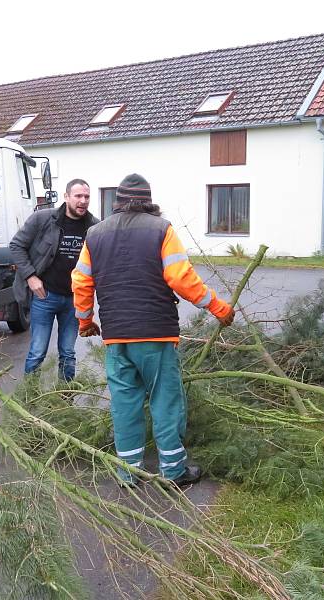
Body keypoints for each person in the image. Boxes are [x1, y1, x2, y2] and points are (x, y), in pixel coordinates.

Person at [71, 174, 234, 487]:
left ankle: (128, 473)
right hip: (155, 334)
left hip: (116, 337)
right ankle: (173, 471)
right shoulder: (162, 229)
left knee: (124, 404)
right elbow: (180, 278)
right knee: (165, 401)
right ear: (148, 201)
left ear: (116, 202)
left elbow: (80, 281)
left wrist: (84, 321)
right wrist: (218, 307)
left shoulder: (95, 234)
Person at [10, 178, 99, 381]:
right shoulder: (42, 219)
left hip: (75, 300)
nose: (83, 201)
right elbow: (16, 246)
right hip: (45, 297)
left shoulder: (95, 227)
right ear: (66, 197)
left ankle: (65, 399)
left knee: (68, 353)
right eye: (78, 196)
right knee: (37, 351)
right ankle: (29, 396)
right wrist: (31, 277)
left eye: (86, 196)